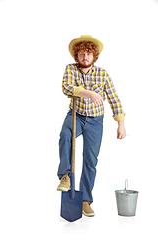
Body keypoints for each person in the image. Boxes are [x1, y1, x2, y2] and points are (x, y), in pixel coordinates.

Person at [57, 35, 126, 217]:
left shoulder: (102, 74)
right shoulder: (70, 69)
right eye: (81, 54)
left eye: (88, 54)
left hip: (96, 121)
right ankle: (65, 176)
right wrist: (88, 93)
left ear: (94, 56)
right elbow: (66, 87)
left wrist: (120, 124)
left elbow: (114, 99)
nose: (84, 57)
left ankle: (86, 200)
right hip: (76, 116)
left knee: (90, 161)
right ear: (76, 56)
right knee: (65, 135)